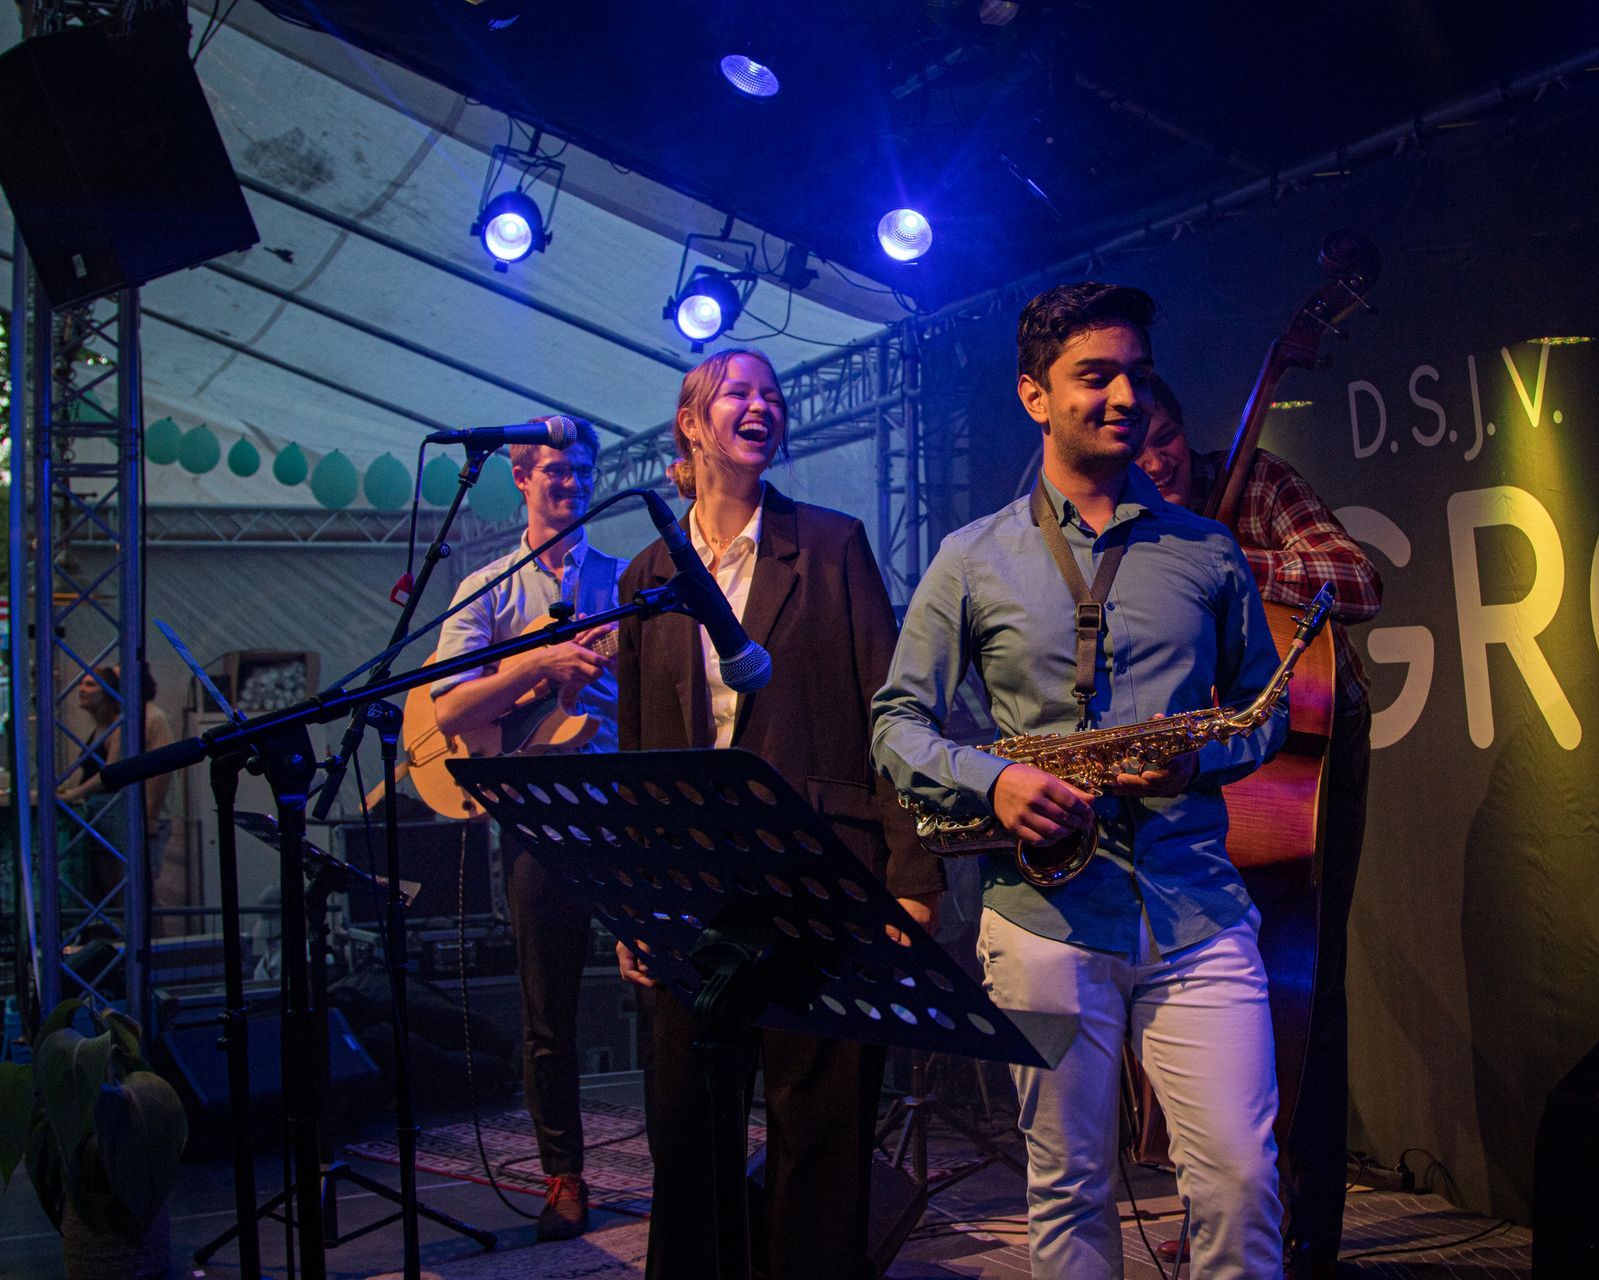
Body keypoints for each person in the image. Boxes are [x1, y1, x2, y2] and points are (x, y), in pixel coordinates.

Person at [872, 283, 1289, 1279]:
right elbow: (896, 724)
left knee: (1240, 1179)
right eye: (1094, 375)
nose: (1125, 396)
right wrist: (995, 783)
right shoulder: (969, 558)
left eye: (1136, 375)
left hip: (1197, 908)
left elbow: (1263, 708)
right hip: (1041, 921)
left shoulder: (1206, 549)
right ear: (1034, 395)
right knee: (1068, 1189)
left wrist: (1200, 757)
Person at [613, 347, 944, 1280]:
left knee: (820, 1133)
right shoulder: (648, 573)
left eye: (773, 394)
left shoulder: (831, 544)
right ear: (691, 424)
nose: (762, 405)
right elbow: (639, 751)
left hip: (822, 874)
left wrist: (913, 875)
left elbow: (889, 713)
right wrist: (635, 902)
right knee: (689, 1131)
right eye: (739, 393)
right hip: (691, 889)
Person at [1138, 373, 1382, 1279]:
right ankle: (1227, 1210)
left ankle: (1309, 1228)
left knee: (1304, 984)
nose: (1154, 461)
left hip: (1309, 753)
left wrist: (1228, 559)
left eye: (1165, 439)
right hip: (1202, 768)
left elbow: (1359, 581)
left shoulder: (1258, 482)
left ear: (1185, 431)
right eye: (1136, 447)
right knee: (1202, 985)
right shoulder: (1128, 523)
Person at [430, 414, 624, 1241]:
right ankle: (564, 1177)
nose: (571, 482)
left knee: (666, 981)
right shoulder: (488, 586)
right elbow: (447, 708)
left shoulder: (626, 578)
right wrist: (540, 664)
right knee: (549, 1012)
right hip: (539, 817)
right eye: (555, 470)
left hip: (627, 807)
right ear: (519, 477)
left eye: (581, 470)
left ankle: (692, 1154)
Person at [60, 663, 175, 905]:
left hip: (136, 816)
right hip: (121, 815)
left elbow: (160, 771)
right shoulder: (126, 719)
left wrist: (150, 816)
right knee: (122, 891)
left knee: (134, 893)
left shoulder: (149, 717)